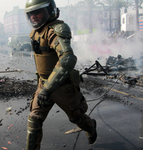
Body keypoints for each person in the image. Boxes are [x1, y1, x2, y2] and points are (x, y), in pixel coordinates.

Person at [24, 0, 97, 149]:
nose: (33, 17)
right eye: (30, 14)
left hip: (62, 86)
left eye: (37, 12)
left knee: (76, 117)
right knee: (34, 121)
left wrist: (47, 89)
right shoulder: (37, 32)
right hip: (44, 84)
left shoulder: (55, 30)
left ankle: (90, 126)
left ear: (49, 10)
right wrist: (44, 87)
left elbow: (67, 58)